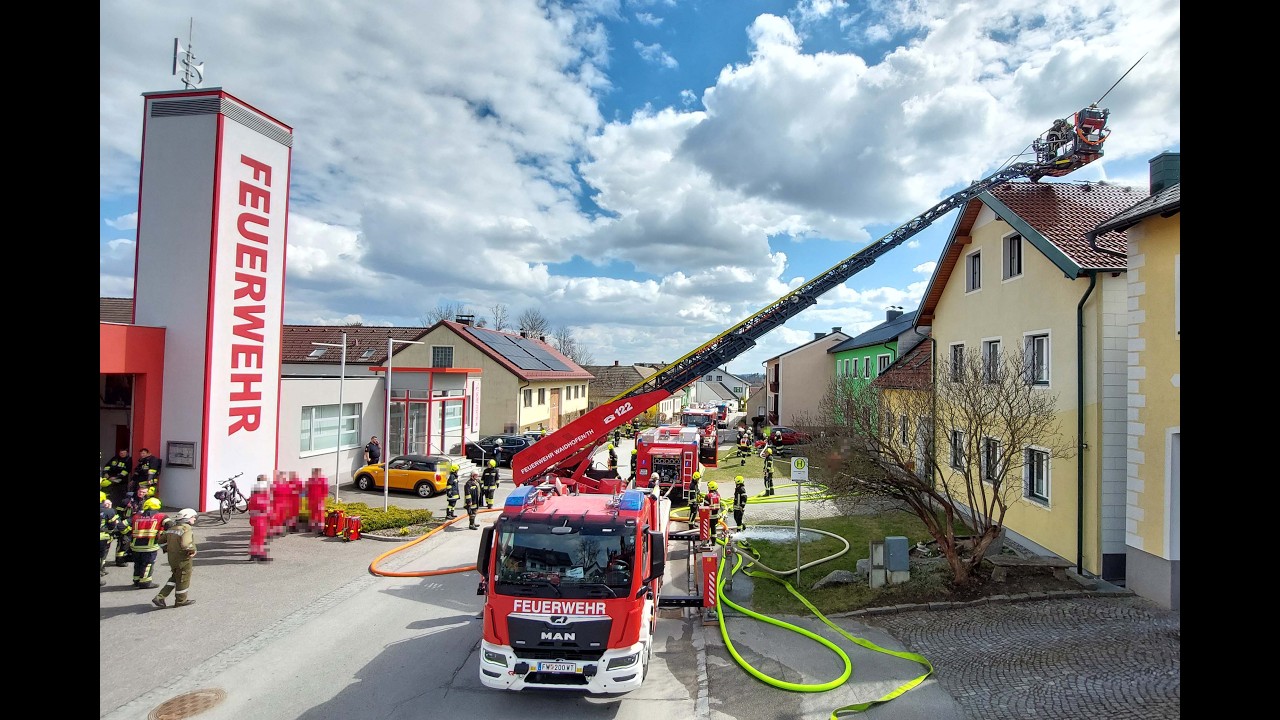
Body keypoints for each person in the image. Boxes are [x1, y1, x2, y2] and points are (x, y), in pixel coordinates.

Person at [152, 508, 198, 608]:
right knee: (183, 579)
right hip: (183, 559)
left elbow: (160, 541)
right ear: (187, 518)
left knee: (175, 577)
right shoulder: (186, 529)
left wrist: (167, 548)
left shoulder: (172, 528)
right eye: (193, 517)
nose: (194, 519)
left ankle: (160, 597)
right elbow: (186, 544)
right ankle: (181, 601)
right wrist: (192, 551)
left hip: (172, 558)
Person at [129, 497, 165, 589]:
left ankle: (136, 581)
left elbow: (122, 526)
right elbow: (170, 526)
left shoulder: (136, 516)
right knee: (147, 564)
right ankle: (145, 582)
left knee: (138, 563)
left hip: (135, 546)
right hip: (149, 546)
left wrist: (128, 535)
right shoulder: (161, 516)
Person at [248, 475, 274, 561]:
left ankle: (254, 554)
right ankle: (259, 554)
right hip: (260, 519)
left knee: (256, 537)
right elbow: (265, 507)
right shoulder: (259, 497)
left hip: (257, 518)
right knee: (259, 536)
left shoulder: (254, 496)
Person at [101, 493, 119, 585]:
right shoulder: (109, 511)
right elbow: (112, 525)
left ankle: (102, 569)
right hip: (102, 537)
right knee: (101, 555)